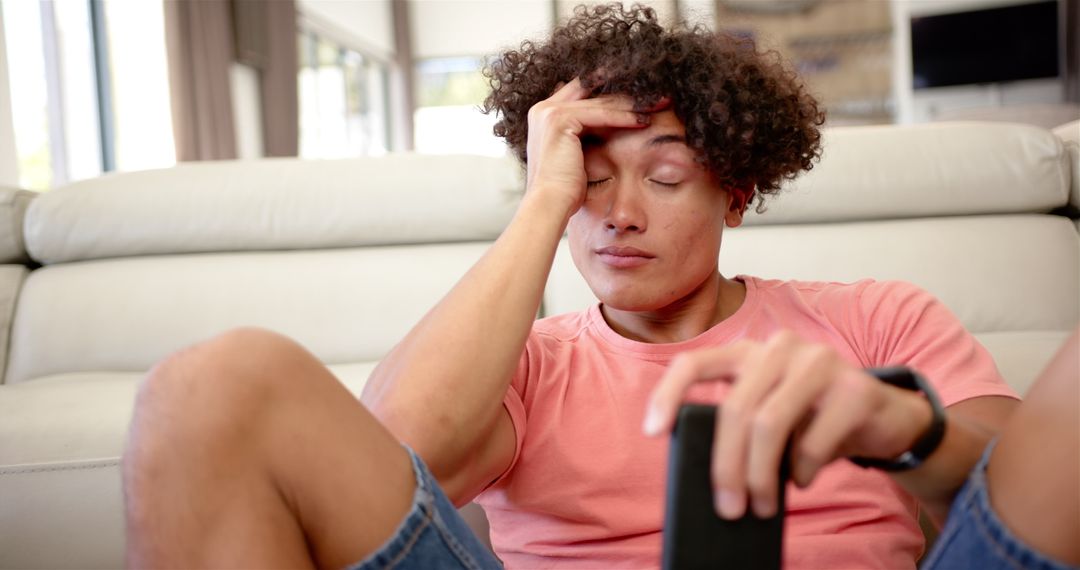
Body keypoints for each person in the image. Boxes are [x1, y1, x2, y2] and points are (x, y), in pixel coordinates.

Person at [122, 4, 1039, 569]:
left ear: (736, 193)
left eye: (666, 178)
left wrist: (898, 424)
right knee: (204, 386)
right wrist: (540, 202)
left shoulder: (873, 318)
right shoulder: (523, 366)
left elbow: (1036, 489)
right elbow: (401, 456)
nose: (619, 215)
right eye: (589, 181)